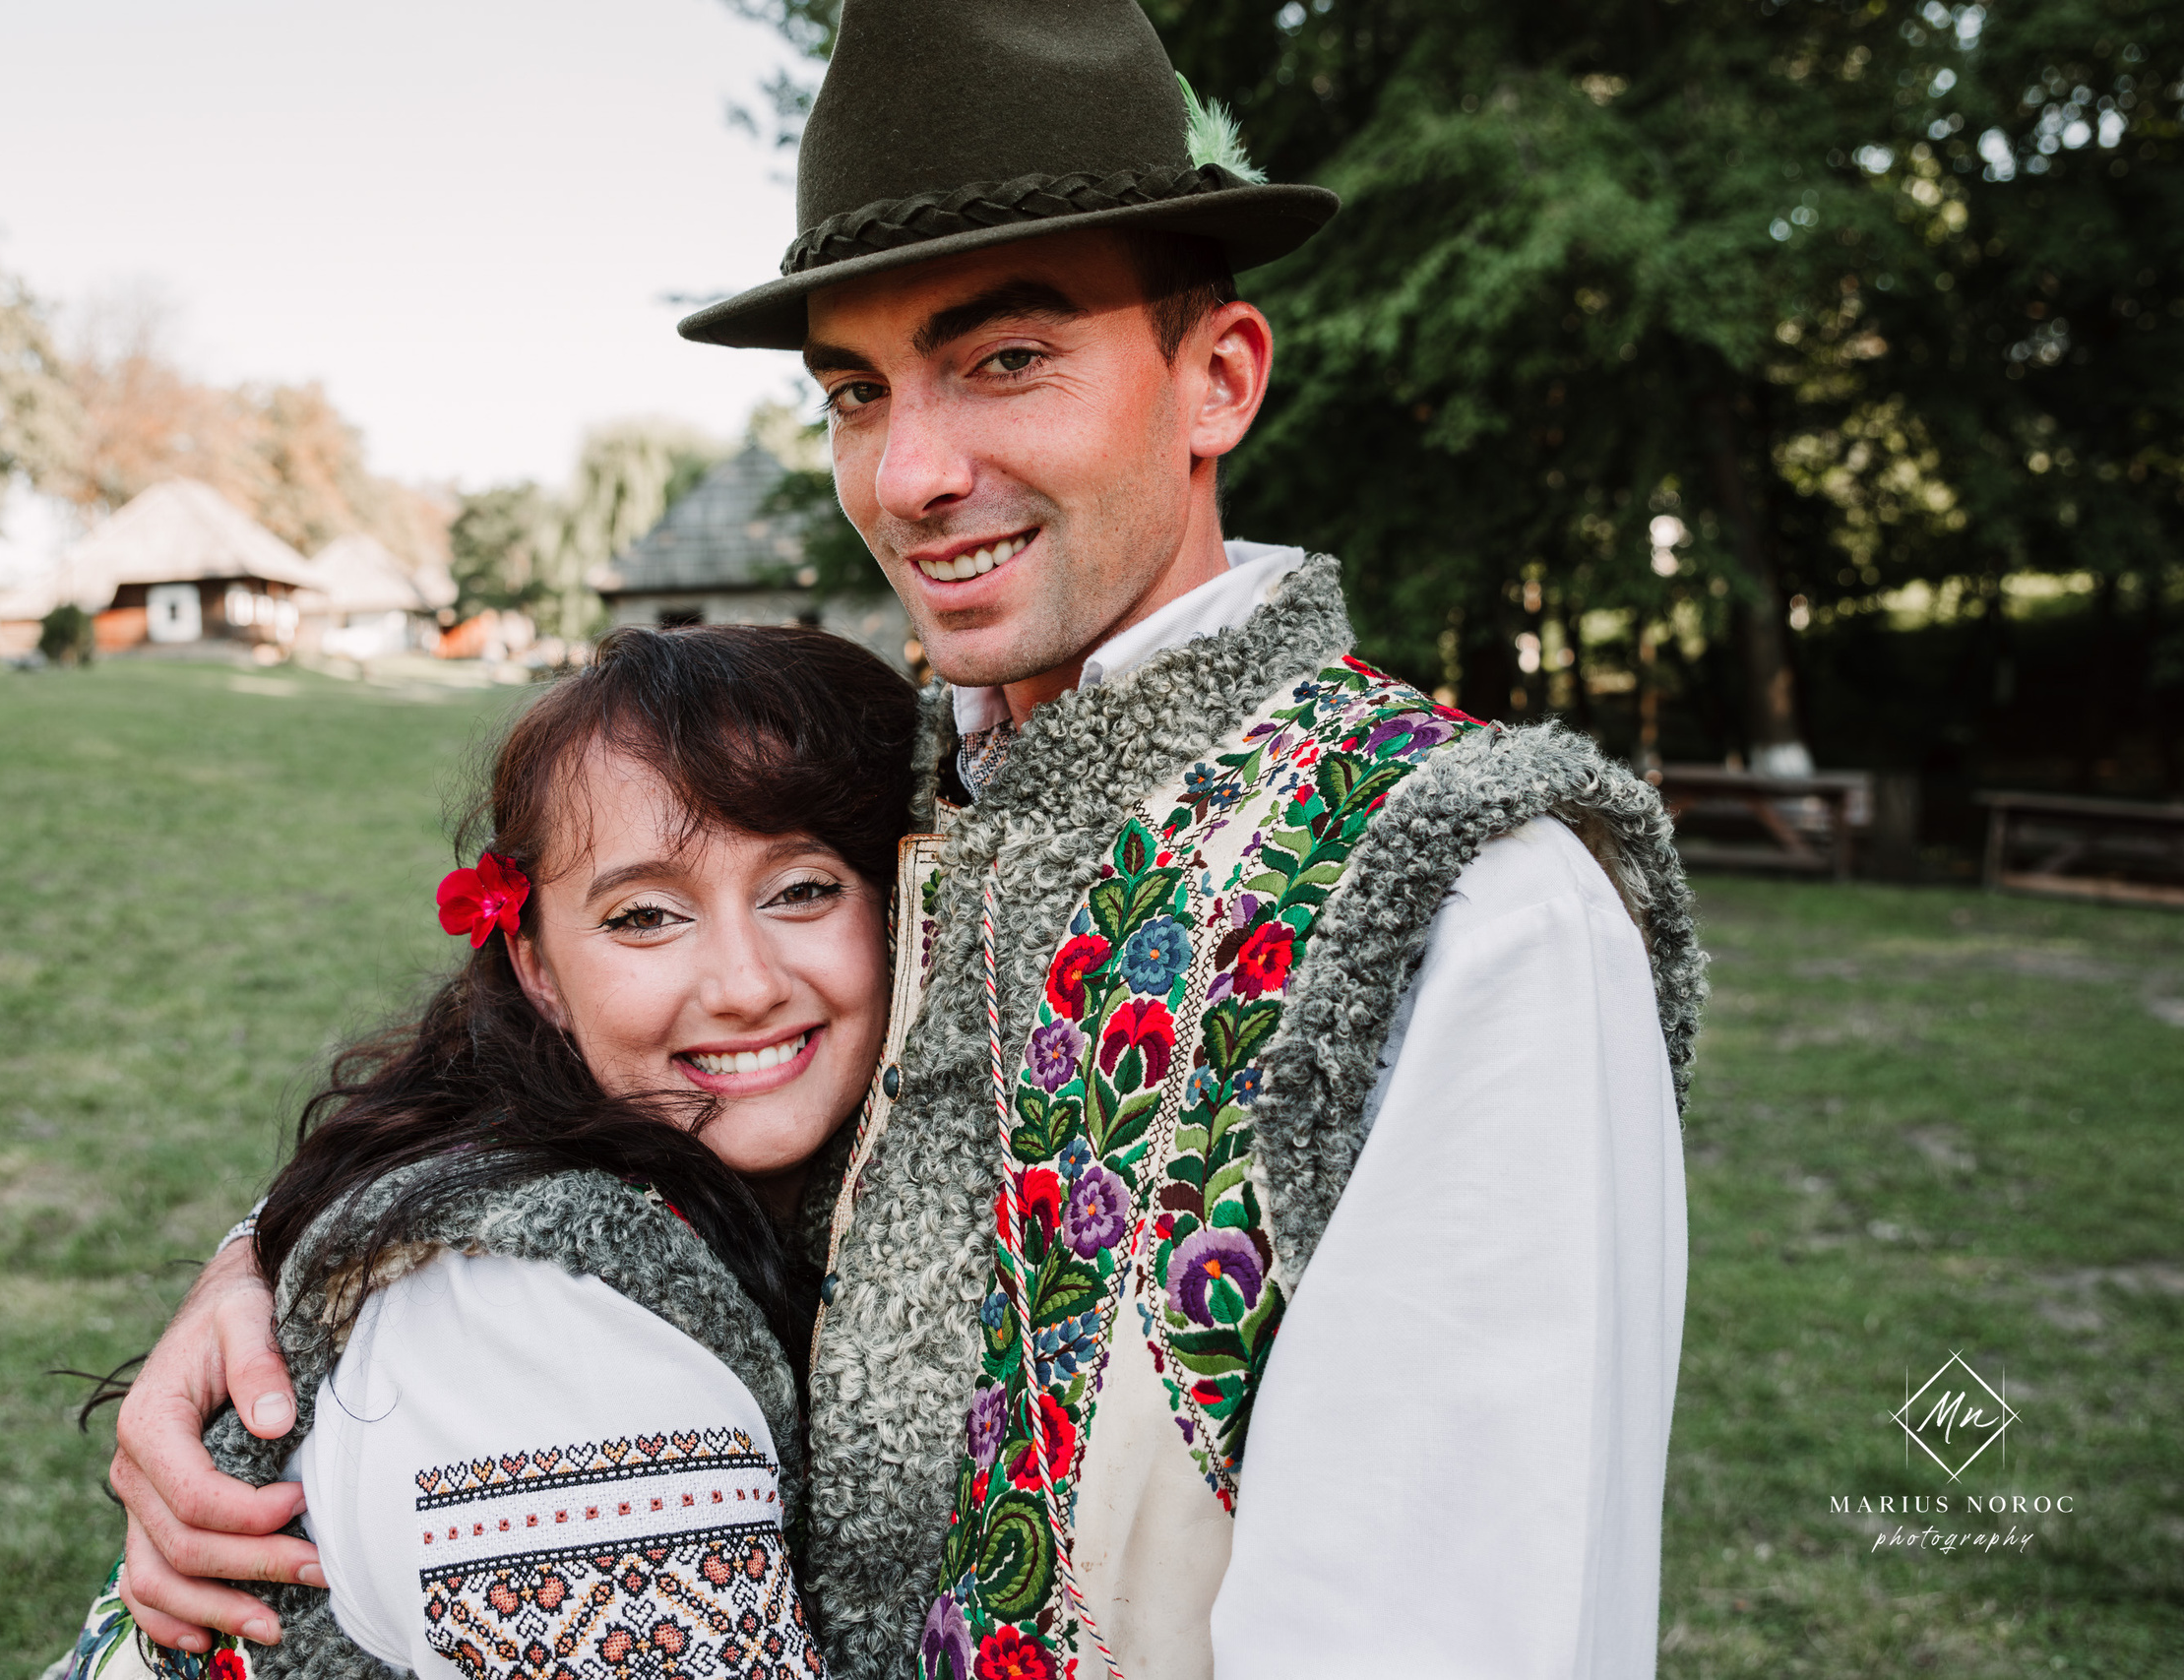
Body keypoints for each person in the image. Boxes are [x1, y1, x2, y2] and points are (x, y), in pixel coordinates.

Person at [111, 3, 1709, 1677]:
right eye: (859, 391)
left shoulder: (1472, 898)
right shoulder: (903, 796)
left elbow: (1456, 1629)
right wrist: (290, 1254)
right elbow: (584, 1068)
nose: (914, 471)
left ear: (1217, 377)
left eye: (1006, 357)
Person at [51, 625, 916, 1677]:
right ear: (537, 968)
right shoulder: (532, 1321)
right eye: (643, 916)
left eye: (801, 889)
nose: (743, 983)